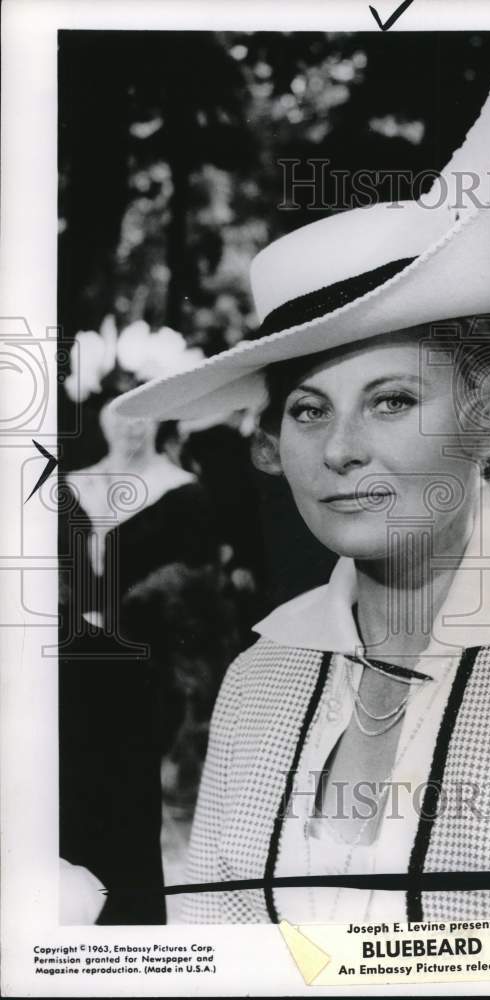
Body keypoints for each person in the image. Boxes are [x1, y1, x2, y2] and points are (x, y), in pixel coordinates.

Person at [114, 31, 490, 924]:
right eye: (309, 409)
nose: (340, 449)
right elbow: (211, 951)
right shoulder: (256, 684)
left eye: (391, 401)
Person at [59, 321, 236, 923]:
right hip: (70, 666)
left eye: (141, 411)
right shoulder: (66, 488)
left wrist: (126, 616)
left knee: (130, 796)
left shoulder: (184, 492)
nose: (128, 423)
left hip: (148, 669)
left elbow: (194, 589)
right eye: (118, 409)